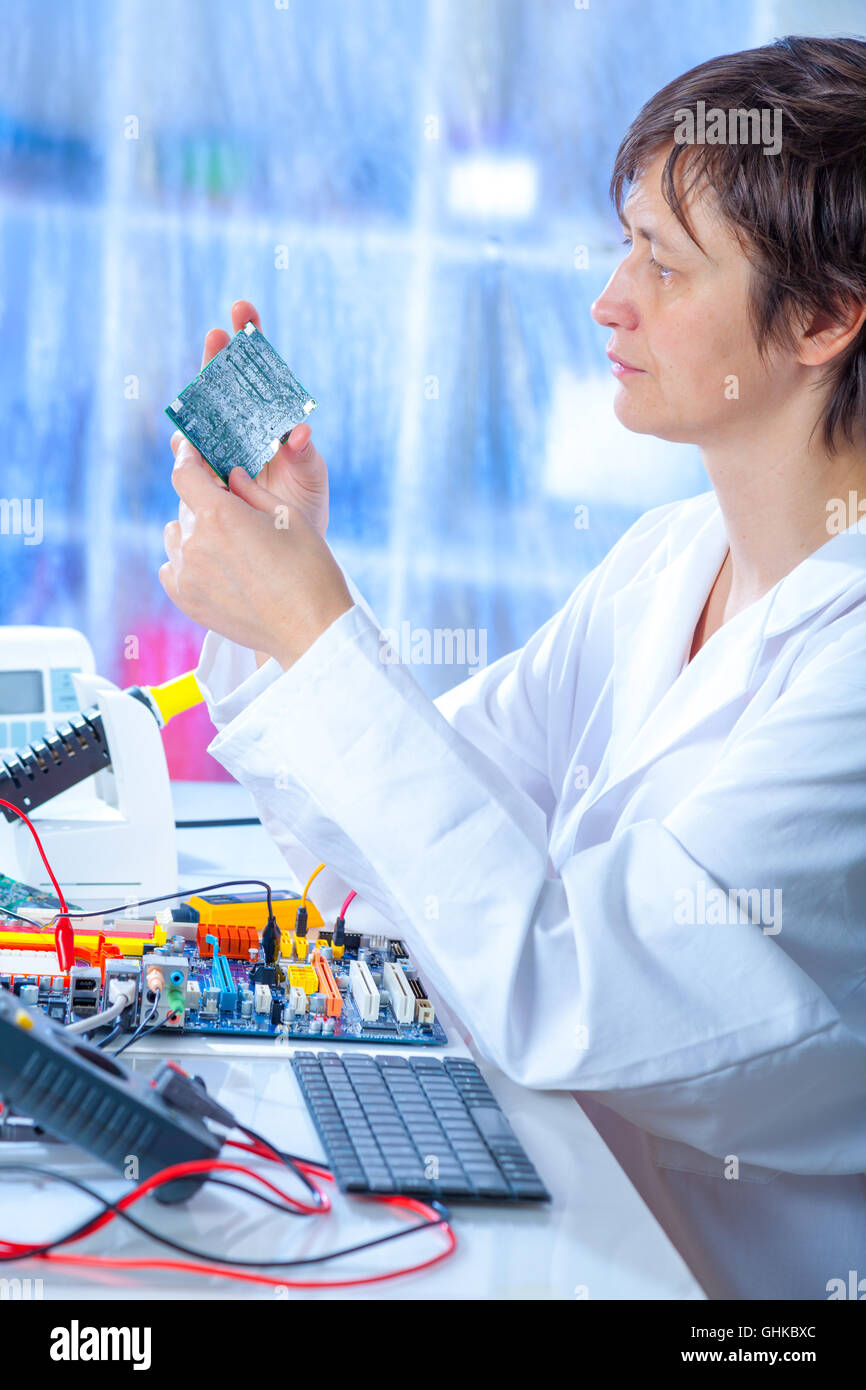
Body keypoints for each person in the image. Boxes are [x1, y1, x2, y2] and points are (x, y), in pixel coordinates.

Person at [160, 36, 866, 1299]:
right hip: (599, 1229)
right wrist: (282, 602)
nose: (609, 298)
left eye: (662, 260)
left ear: (820, 318)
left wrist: (319, 631)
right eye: (624, 243)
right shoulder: (671, 558)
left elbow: (567, 987)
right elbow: (401, 849)